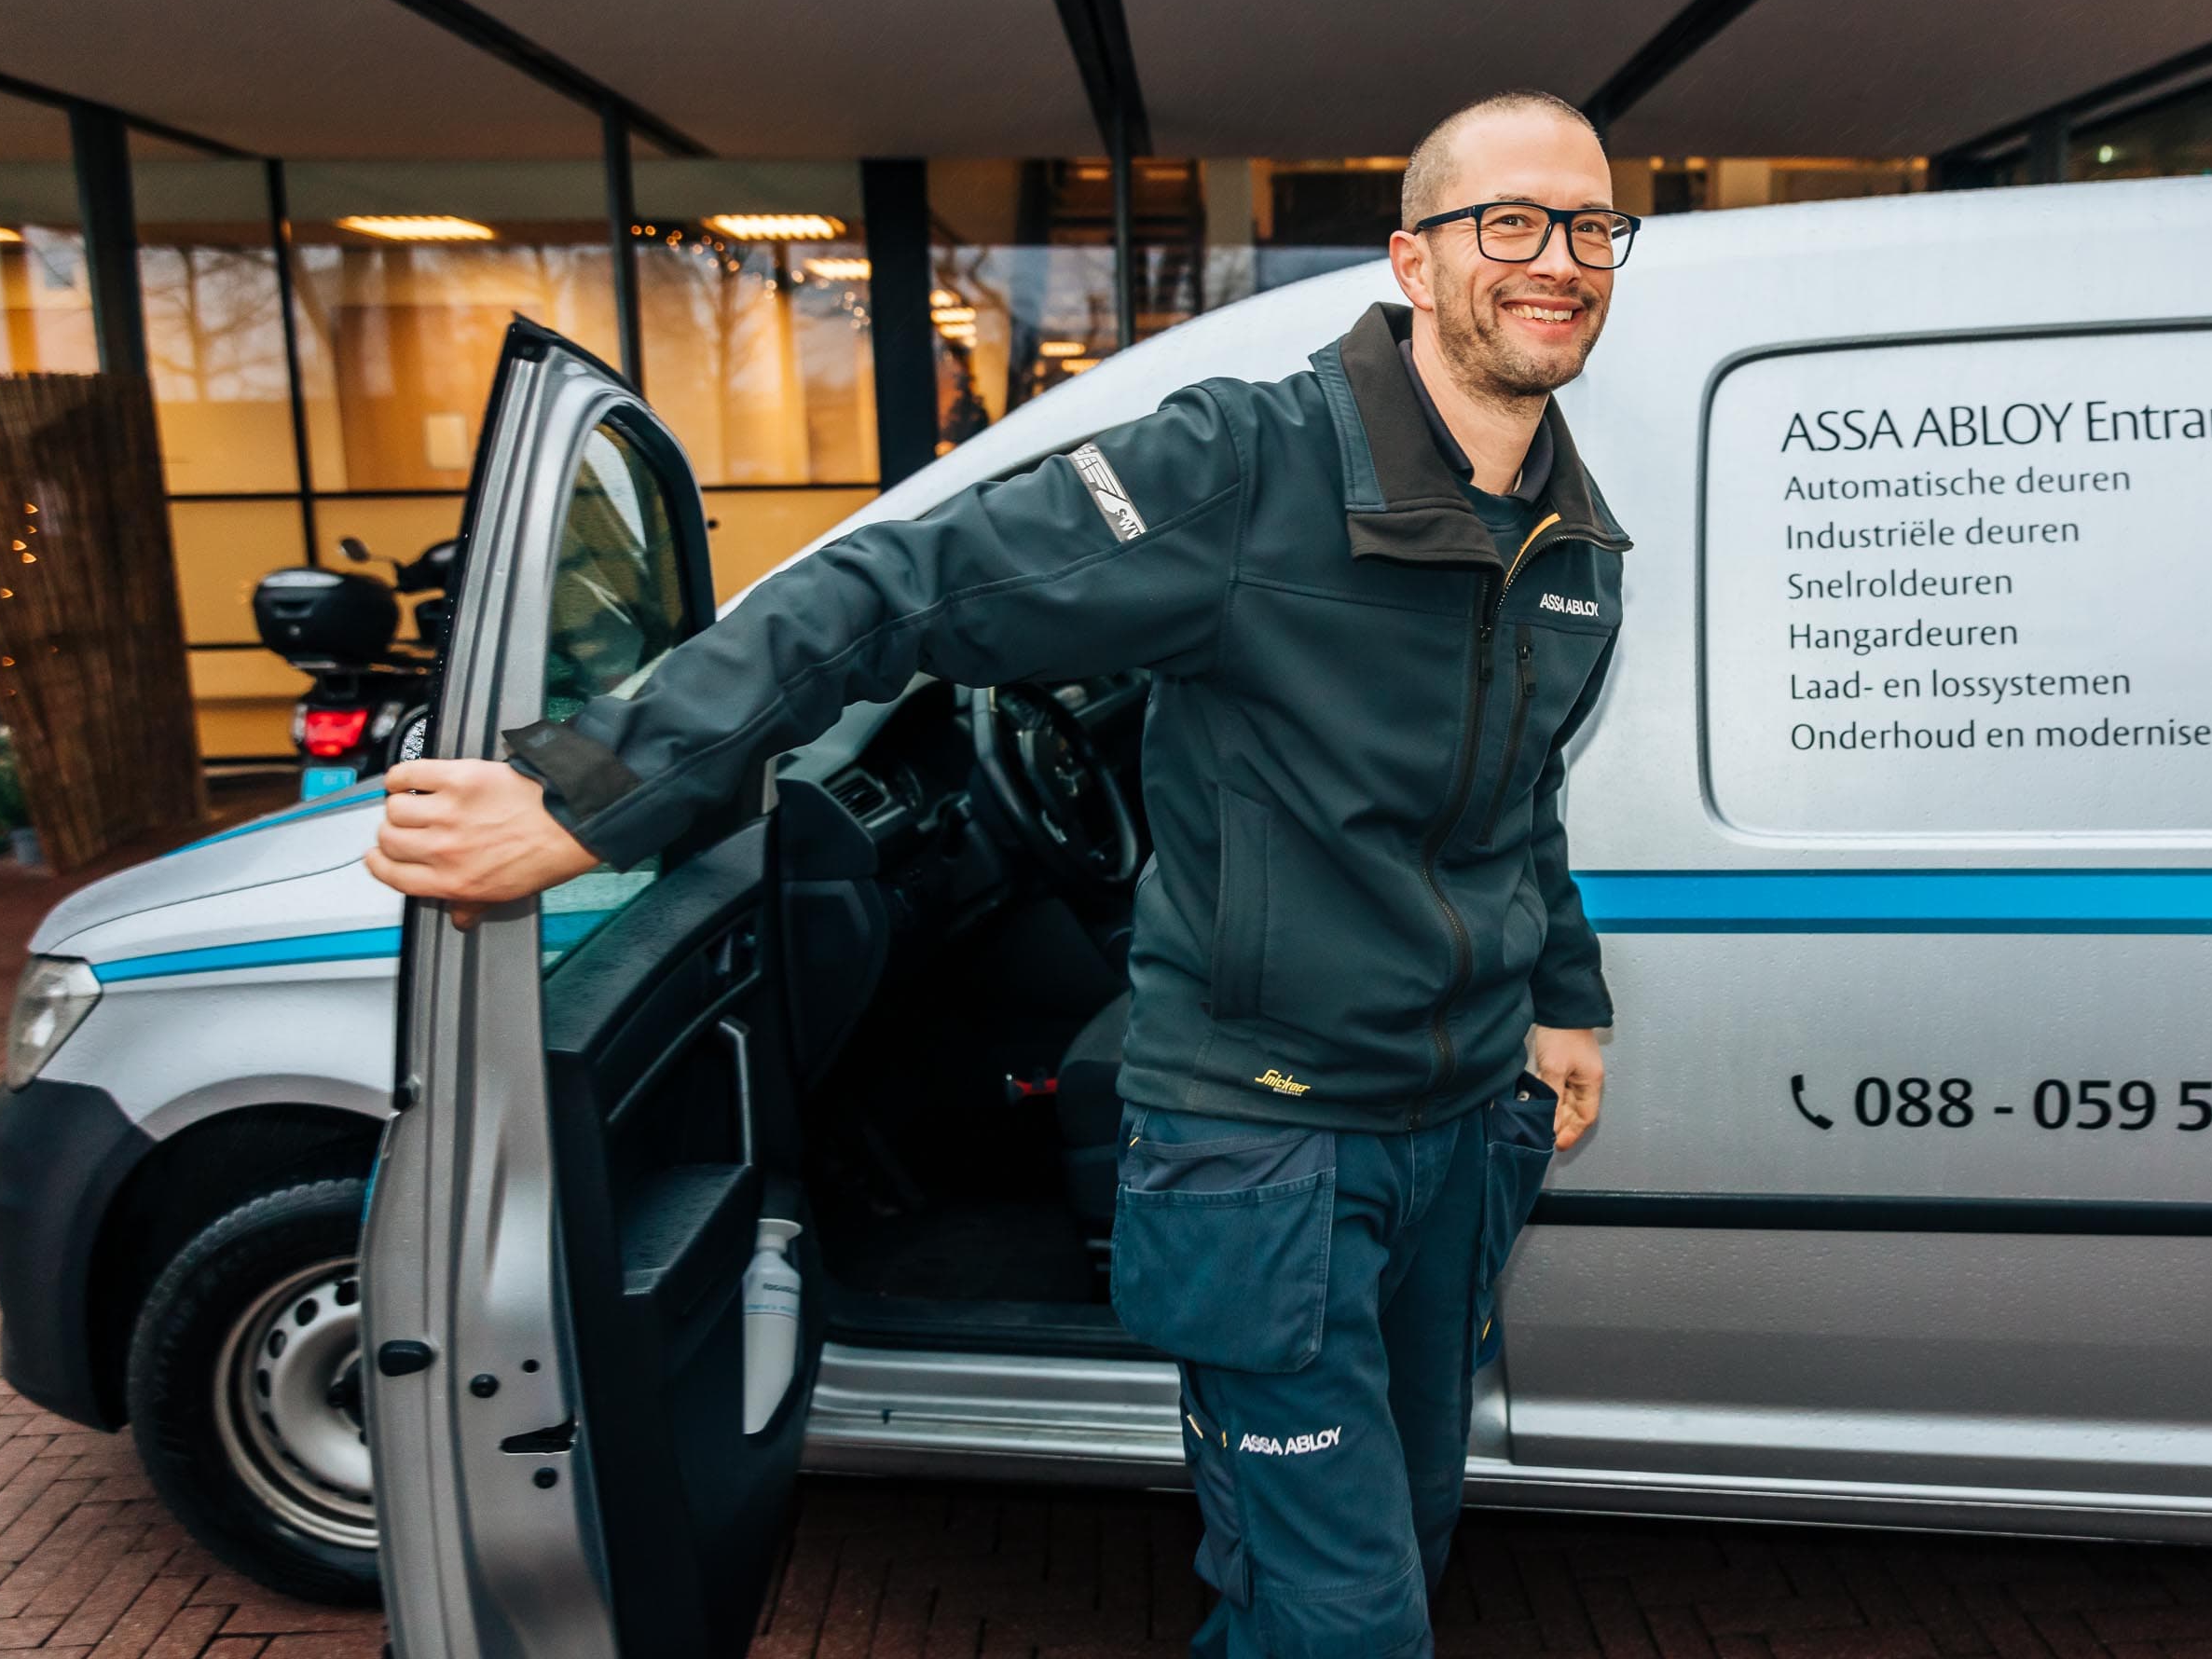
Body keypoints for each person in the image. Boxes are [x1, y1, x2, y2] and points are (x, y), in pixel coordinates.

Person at [366, 89, 1639, 1658]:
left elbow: (1517, 806)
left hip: (1458, 1138)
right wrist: (599, 793)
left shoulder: (1568, 541)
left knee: (1394, 1553)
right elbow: (894, 588)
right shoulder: (1243, 468)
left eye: (1590, 226)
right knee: (1346, 1619)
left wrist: (1561, 1000)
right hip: (1270, 1146)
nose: (1559, 259)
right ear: (1417, 259)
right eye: (1509, 223)